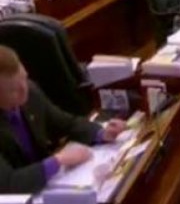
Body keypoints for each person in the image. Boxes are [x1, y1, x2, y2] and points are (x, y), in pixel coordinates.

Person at [0, 45, 127, 194]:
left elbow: (66, 123)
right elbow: (8, 184)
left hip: (49, 187)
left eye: (24, 78)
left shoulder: (30, 92)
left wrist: (102, 133)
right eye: (14, 90)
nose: (24, 90)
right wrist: (58, 161)